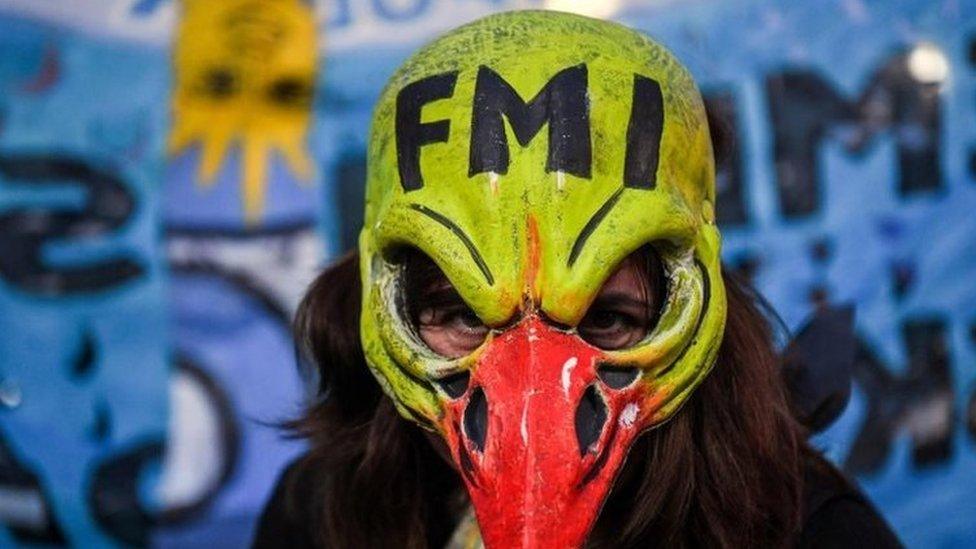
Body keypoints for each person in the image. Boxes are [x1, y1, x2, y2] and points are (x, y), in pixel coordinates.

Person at [253, 10, 903, 549]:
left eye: (608, 318)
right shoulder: (320, 512)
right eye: (461, 315)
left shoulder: (810, 529)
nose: (532, 428)